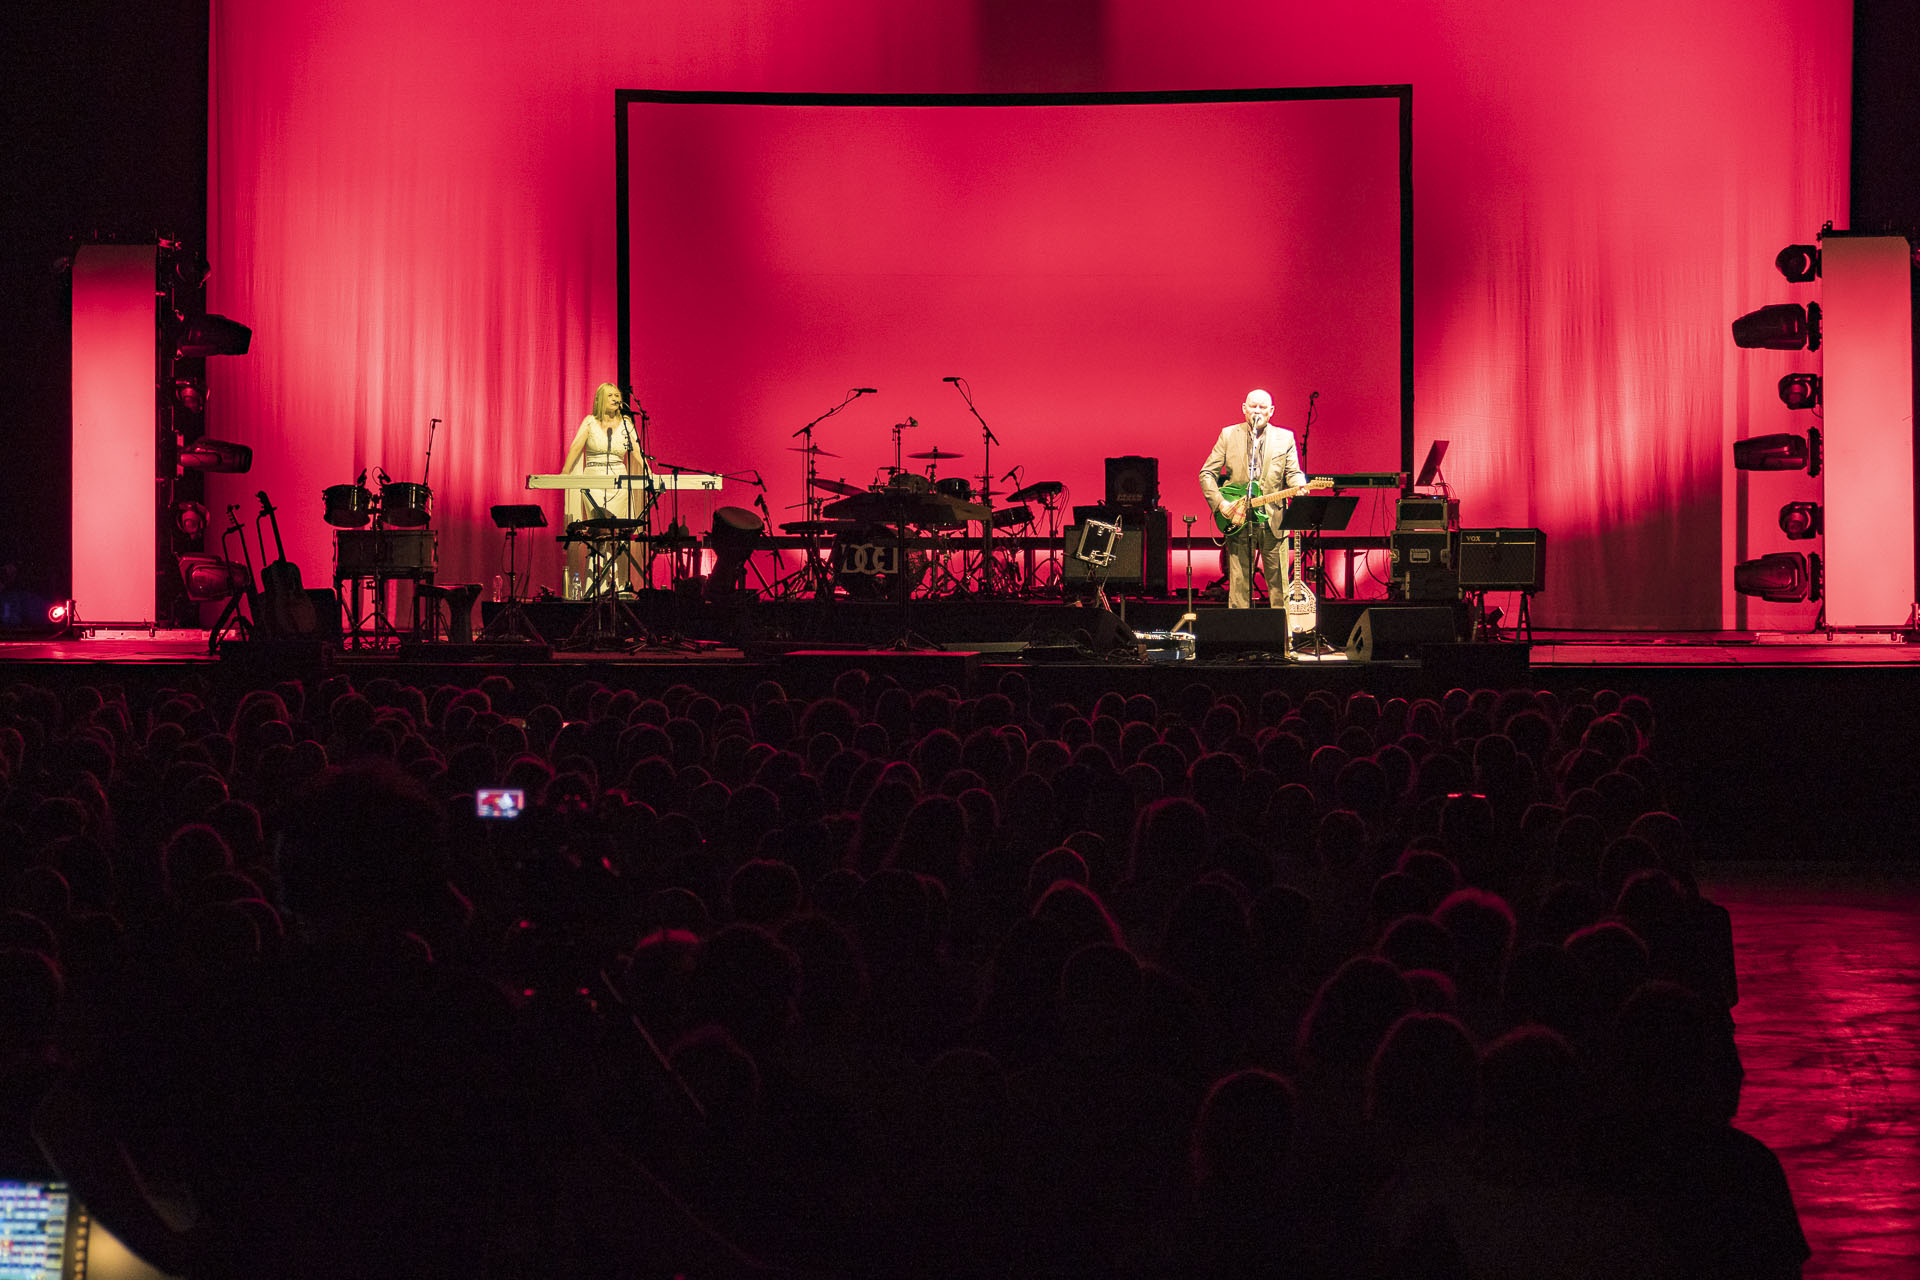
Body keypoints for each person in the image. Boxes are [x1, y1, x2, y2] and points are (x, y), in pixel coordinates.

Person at [1200, 389, 1309, 609]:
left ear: (1271, 411)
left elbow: (1293, 472)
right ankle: (1240, 639)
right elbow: (1206, 473)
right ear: (1244, 409)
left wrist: (1299, 483)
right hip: (1239, 518)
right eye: (1253, 406)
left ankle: (1281, 638)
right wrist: (1221, 503)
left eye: (1262, 407)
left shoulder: (1284, 437)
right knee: (1239, 585)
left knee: (1279, 586)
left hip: (1273, 520)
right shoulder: (1228, 435)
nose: (1257, 411)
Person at [560, 382, 652, 596]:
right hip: (594, 480)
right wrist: (564, 475)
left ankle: (617, 588)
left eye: (617, 395)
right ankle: (596, 589)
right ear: (601, 398)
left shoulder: (627, 424)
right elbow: (576, 447)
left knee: (618, 535)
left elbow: (637, 451)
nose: (615, 398)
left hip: (619, 481)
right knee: (599, 533)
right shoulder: (590, 422)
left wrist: (649, 473)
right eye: (610, 395)